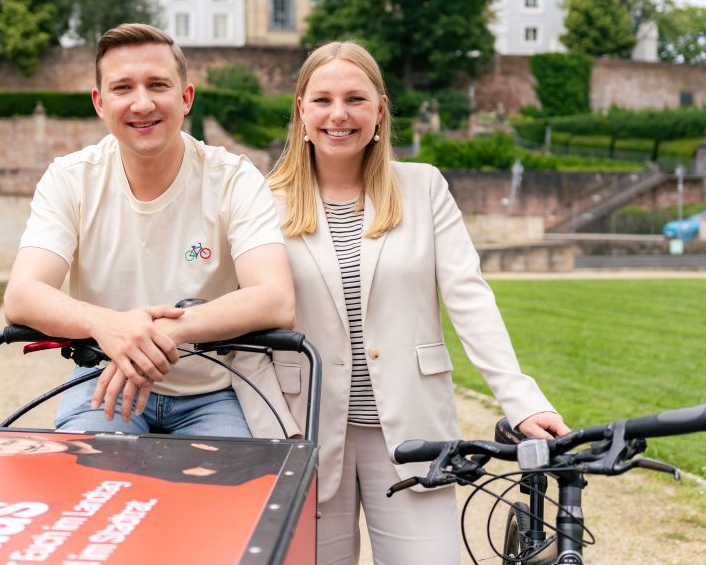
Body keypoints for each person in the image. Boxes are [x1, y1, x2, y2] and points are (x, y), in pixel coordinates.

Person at [233, 41, 569, 564]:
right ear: (300, 109)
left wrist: (522, 399)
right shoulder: (258, 200)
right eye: (322, 99)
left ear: (380, 110)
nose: (338, 114)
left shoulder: (424, 187)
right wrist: (276, 428)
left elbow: (469, 297)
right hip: (307, 430)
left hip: (414, 430)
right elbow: (244, 332)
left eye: (355, 99)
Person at [3, 23, 294, 437]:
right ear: (100, 103)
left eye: (157, 84)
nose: (142, 103)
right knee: (91, 489)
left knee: (228, 492)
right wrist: (106, 324)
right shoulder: (70, 178)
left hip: (210, 390)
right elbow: (21, 295)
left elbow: (275, 299)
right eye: (123, 88)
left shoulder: (233, 178)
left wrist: (160, 333)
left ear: (186, 97)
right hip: (103, 381)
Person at [0, 434, 287, 486]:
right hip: (101, 373)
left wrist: (133, 344)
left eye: (3, 441)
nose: (9, 448)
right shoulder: (82, 468)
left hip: (211, 389)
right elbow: (20, 298)